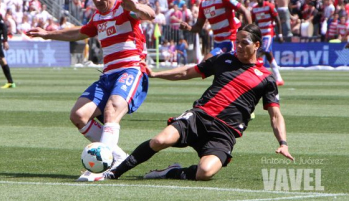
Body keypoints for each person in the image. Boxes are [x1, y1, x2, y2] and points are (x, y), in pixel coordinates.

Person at [90, 24, 294, 182]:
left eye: (244, 43)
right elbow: (189, 72)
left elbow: (275, 115)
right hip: (199, 116)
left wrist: (283, 143)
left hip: (225, 132)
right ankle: (113, 173)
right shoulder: (224, 60)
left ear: (257, 45)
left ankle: (172, 172)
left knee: (205, 171)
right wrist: (157, 74)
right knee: (160, 141)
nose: (238, 47)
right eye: (237, 41)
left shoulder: (266, 79)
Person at [26, 0, 155, 181]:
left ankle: (101, 167)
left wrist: (136, 6)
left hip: (130, 70)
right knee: (78, 115)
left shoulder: (125, 9)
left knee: (111, 111)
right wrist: (47, 34)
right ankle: (116, 156)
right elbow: (77, 33)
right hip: (108, 76)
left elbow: (150, 14)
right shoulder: (97, 17)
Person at [180, 0, 252, 61]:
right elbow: (198, 27)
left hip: (230, 41)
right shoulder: (203, 4)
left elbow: (245, 11)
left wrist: (250, 36)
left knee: (206, 63)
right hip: (217, 42)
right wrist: (188, 27)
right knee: (218, 71)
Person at [251, 0, 284, 86]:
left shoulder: (269, 6)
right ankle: (278, 78)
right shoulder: (254, 9)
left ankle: (258, 72)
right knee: (269, 55)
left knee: (264, 49)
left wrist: (280, 34)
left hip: (268, 33)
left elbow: (277, 19)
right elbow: (253, 22)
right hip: (260, 34)